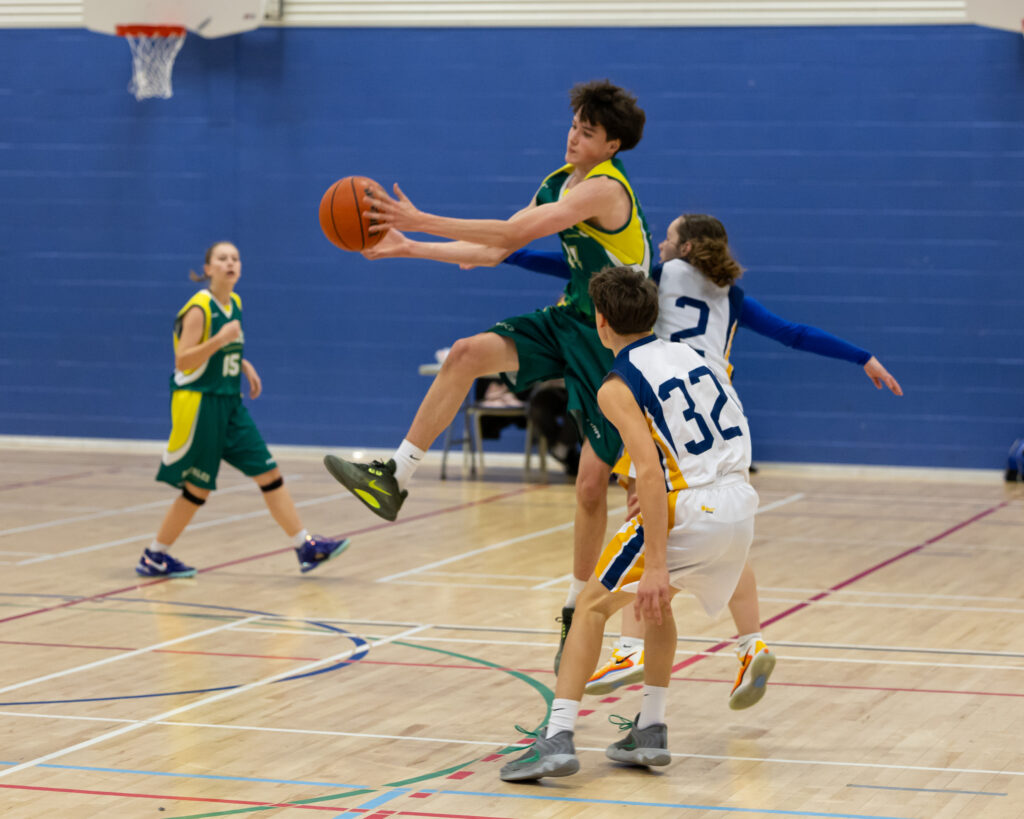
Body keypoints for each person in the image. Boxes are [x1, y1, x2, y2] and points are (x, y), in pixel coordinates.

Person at [504, 214, 903, 709]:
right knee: (723, 530)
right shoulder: (730, 294)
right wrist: (861, 356)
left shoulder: (658, 276)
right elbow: (794, 333)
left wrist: (509, 251)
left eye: (668, 238)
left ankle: (629, 649)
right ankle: (751, 643)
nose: (660, 244)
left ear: (686, 248)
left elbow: (576, 269)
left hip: (660, 400)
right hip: (718, 410)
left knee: (644, 525)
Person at [322, 80, 651, 670]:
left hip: (618, 344)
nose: (574, 137)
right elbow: (492, 252)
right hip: (573, 319)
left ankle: (590, 616)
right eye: (574, 126)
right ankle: (395, 476)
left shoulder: (604, 190)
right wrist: (407, 246)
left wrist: (418, 217)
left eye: (588, 133)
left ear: (612, 145)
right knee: (466, 354)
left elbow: (513, 235)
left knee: (596, 488)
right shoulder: (558, 182)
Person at [499, 265, 758, 781]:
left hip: (690, 508)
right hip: (739, 503)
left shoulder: (616, 385)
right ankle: (651, 729)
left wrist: (657, 561)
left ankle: (557, 737)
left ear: (601, 321)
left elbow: (648, 471)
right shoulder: (693, 356)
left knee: (592, 607)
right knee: (656, 605)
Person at [137, 241, 350, 578]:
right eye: (222, 259)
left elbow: (223, 349)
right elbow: (183, 360)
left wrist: (242, 364)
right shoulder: (199, 309)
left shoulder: (234, 303)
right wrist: (221, 340)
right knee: (197, 489)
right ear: (208, 268)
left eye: (235, 258)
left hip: (230, 404)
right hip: (201, 404)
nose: (230, 263)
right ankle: (154, 555)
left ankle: (304, 546)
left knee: (269, 473)